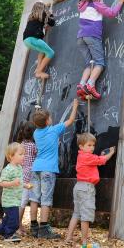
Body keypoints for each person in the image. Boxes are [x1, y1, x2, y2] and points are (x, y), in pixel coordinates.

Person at [29, 99, 80, 239]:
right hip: (48, 170)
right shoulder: (54, 130)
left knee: (34, 198)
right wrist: (75, 106)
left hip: (36, 168)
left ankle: (33, 227)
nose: (52, 118)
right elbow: (70, 120)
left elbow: (45, 139)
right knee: (45, 199)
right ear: (47, 121)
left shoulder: (36, 133)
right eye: (50, 117)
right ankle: (44, 229)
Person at [76, 0, 124, 100]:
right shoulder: (96, 4)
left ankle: (81, 85)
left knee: (89, 64)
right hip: (92, 36)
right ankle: (90, 85)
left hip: (80, 37)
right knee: (99, 63)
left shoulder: (82, 5)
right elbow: (112, 13)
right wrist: (120, 1)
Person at [65, 133, 115, 247]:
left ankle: (69, 237)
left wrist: (100, 155)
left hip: (79, 187)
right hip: (86, 188)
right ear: (81, 147)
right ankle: (84, 242)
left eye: (93, 145)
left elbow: (95, 160)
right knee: (85, 216)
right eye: (89, 145)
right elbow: (101, 160)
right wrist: (111, 152)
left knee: (76, 213)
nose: (92, 147)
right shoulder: (87, 157)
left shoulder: (82, 156)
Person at [0, 142, 30, 242]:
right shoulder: (8, 169)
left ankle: (0, 229)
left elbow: (19, 182)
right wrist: (12, 183)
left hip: (15, 199)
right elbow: (1, 183)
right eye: (20, 154)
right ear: (11, 156)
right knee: (14, 220)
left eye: (24, 154)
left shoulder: (19, 168)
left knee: (9, 217)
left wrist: (25, 185)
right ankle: (9, 235)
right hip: (9, 201)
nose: (23, 156)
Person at [23, 1, 56, 79]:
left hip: (26, 40)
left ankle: (38, 68)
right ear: (42, 9)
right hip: (34, 39)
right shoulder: (43, 15)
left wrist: (44, 26)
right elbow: (52, 23)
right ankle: (39, 72)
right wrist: (50, 14)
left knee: (42, 51)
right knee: (50, 52)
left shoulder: (31, 17)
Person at [16, 121, 37, 234]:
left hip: (20, 175)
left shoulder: (20, 145)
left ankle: (19, 225)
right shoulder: (33, 146)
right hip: (29, 177)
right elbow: (39, 154)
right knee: (23, 203)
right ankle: (17, 226)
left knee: (21, 202)